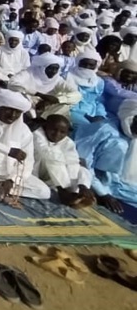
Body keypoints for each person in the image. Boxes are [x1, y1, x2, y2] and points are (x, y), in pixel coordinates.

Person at [73, 61, 137, 214]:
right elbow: (83, 163)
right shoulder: (104, 130)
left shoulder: (132, 134)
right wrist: (104, 193)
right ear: (130, 117)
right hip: (98, 180)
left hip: (121, 182)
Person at [33, 114, 95, 208]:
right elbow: (47, 154)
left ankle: (80, 191)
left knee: (81, 168)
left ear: (67, 133)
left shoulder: (68, 142)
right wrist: (62, 187)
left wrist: (81, 185)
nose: (57, 134)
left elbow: (73, 162)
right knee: (54, 158)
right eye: (53, 130)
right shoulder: (37, 134)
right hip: (37, 171)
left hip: (55, 177)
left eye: (62, 132)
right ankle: (63, 192)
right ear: (45, 126)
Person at [8, 54, 81, 120]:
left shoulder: (57, 79)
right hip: (28, 100)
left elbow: (77, 95)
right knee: (20, 96)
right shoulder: (29, 72)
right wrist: (39, 94)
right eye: (51, 68)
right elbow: (12, 83)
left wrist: (57, 99)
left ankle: (42, 120)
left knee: (65, 105)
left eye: (56, 69)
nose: (53, 71)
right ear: (42, 67)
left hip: (47, 105)